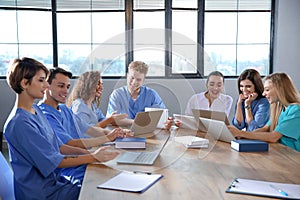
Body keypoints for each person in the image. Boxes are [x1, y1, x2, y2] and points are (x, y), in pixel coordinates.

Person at [3, 57, 120, 199]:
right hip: (42, 194)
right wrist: (93, 157)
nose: (46, 86)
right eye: (41, 80)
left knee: (104, 184)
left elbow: (60, 147)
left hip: (56, 184)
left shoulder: (35, 111)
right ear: (24, 83)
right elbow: (56, 161)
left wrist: (98, 154)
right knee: (100, 193)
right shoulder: (19, 123)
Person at [38, 67, 131, 181]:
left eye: (67, 87)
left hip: (83, 156)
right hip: (70, 168)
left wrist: (114, 134)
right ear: (47, 86)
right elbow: (71, 144)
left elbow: (89, 129)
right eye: (60, 86)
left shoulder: (64, 109)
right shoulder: (45, 114)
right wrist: (106, 139)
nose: (66, 91)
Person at [228, 72, 300, 152]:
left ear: (279, 89)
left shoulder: (296, 110)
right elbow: (265, 128)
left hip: (293, 156)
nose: (263, 93)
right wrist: (242, 136)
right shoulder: (279, 108)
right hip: (280, 151)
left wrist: (241, 133)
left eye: (267, 90)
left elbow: (274, 137)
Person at [106, 61, 172, 129]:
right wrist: (135, 122)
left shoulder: (151, 95)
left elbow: (163, 118)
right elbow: (111, 120)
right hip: (122, 135)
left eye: (138, 79)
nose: (134, 82)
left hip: (147, 134)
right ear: (127, 75)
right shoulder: (117, 95)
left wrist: (166, 123)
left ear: (143, 80)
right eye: (132, 78)